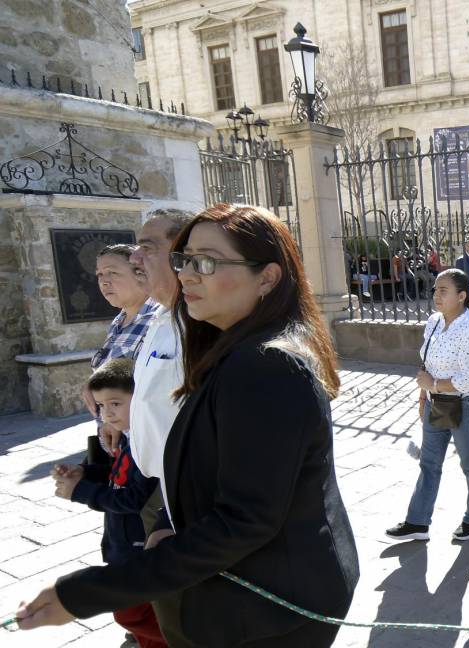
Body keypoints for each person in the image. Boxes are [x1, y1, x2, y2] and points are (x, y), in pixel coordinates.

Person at [15, 205, 361, 646]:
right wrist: (165, 517)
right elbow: (206, 465)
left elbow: (244, 520)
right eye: (184, 259)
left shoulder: (265, 365)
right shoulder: (225, 345)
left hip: (270, 611)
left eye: (207, 262)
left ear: (268, 277)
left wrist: (85, 594)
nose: (187, 275)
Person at [53, 359, 166, 648]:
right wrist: (86, 472)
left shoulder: (147, 443)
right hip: (120, 543)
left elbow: (132, 499)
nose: (108, 413)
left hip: (138, 546)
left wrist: (81, 491)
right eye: (101, 406)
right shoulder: (129, 438)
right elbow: (117, 475)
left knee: (136, 615)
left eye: (115, 403)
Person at [387, 269, 469, 543]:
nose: (436, 295)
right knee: (429, 463)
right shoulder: (433, 321)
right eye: (435, 289)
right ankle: (418, 522)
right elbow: (428, 364)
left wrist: (432, 384)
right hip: (436, 402)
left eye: (444, 290)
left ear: (462, 296)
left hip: (467, 403)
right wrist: (424, 396)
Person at [86, 244, 159, 457]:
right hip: (116, 442)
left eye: (113, 273)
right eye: (99, 274)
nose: (104, 281)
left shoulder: (158, 319)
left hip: (142, 442)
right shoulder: (120, 319)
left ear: (140, 274)